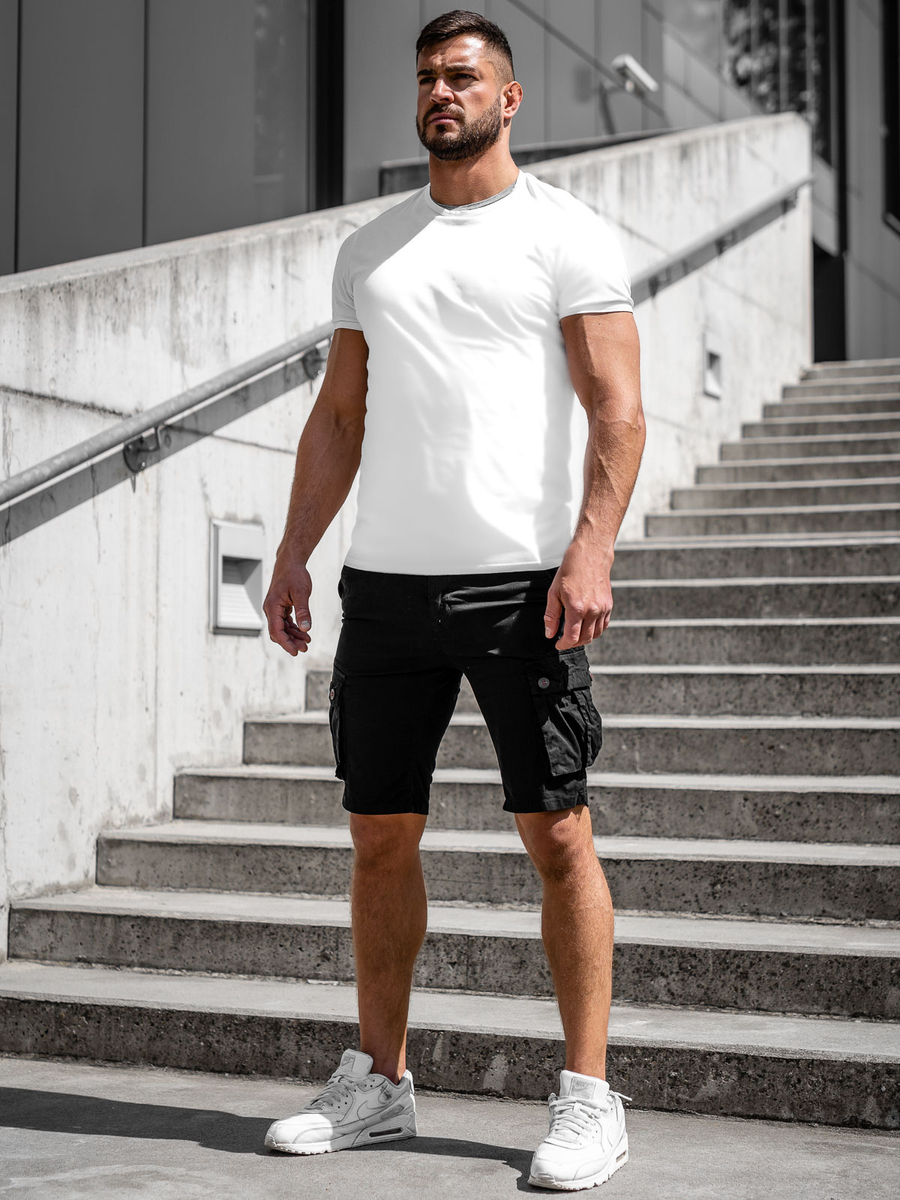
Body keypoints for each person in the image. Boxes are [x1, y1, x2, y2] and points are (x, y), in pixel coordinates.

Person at [261, 8, 645, 1192]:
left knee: (557, 834)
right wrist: (294, 553)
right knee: (380, 835)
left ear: (509, 98)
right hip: (387, 588)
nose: (442, 91)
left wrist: (591, 551)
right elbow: (341, 414)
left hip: (524, 585)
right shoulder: (372, 249)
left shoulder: (564, 234)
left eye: (463, 76)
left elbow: (619, 408)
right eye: (428, 75)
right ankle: (380, 1083)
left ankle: (589, 1097)